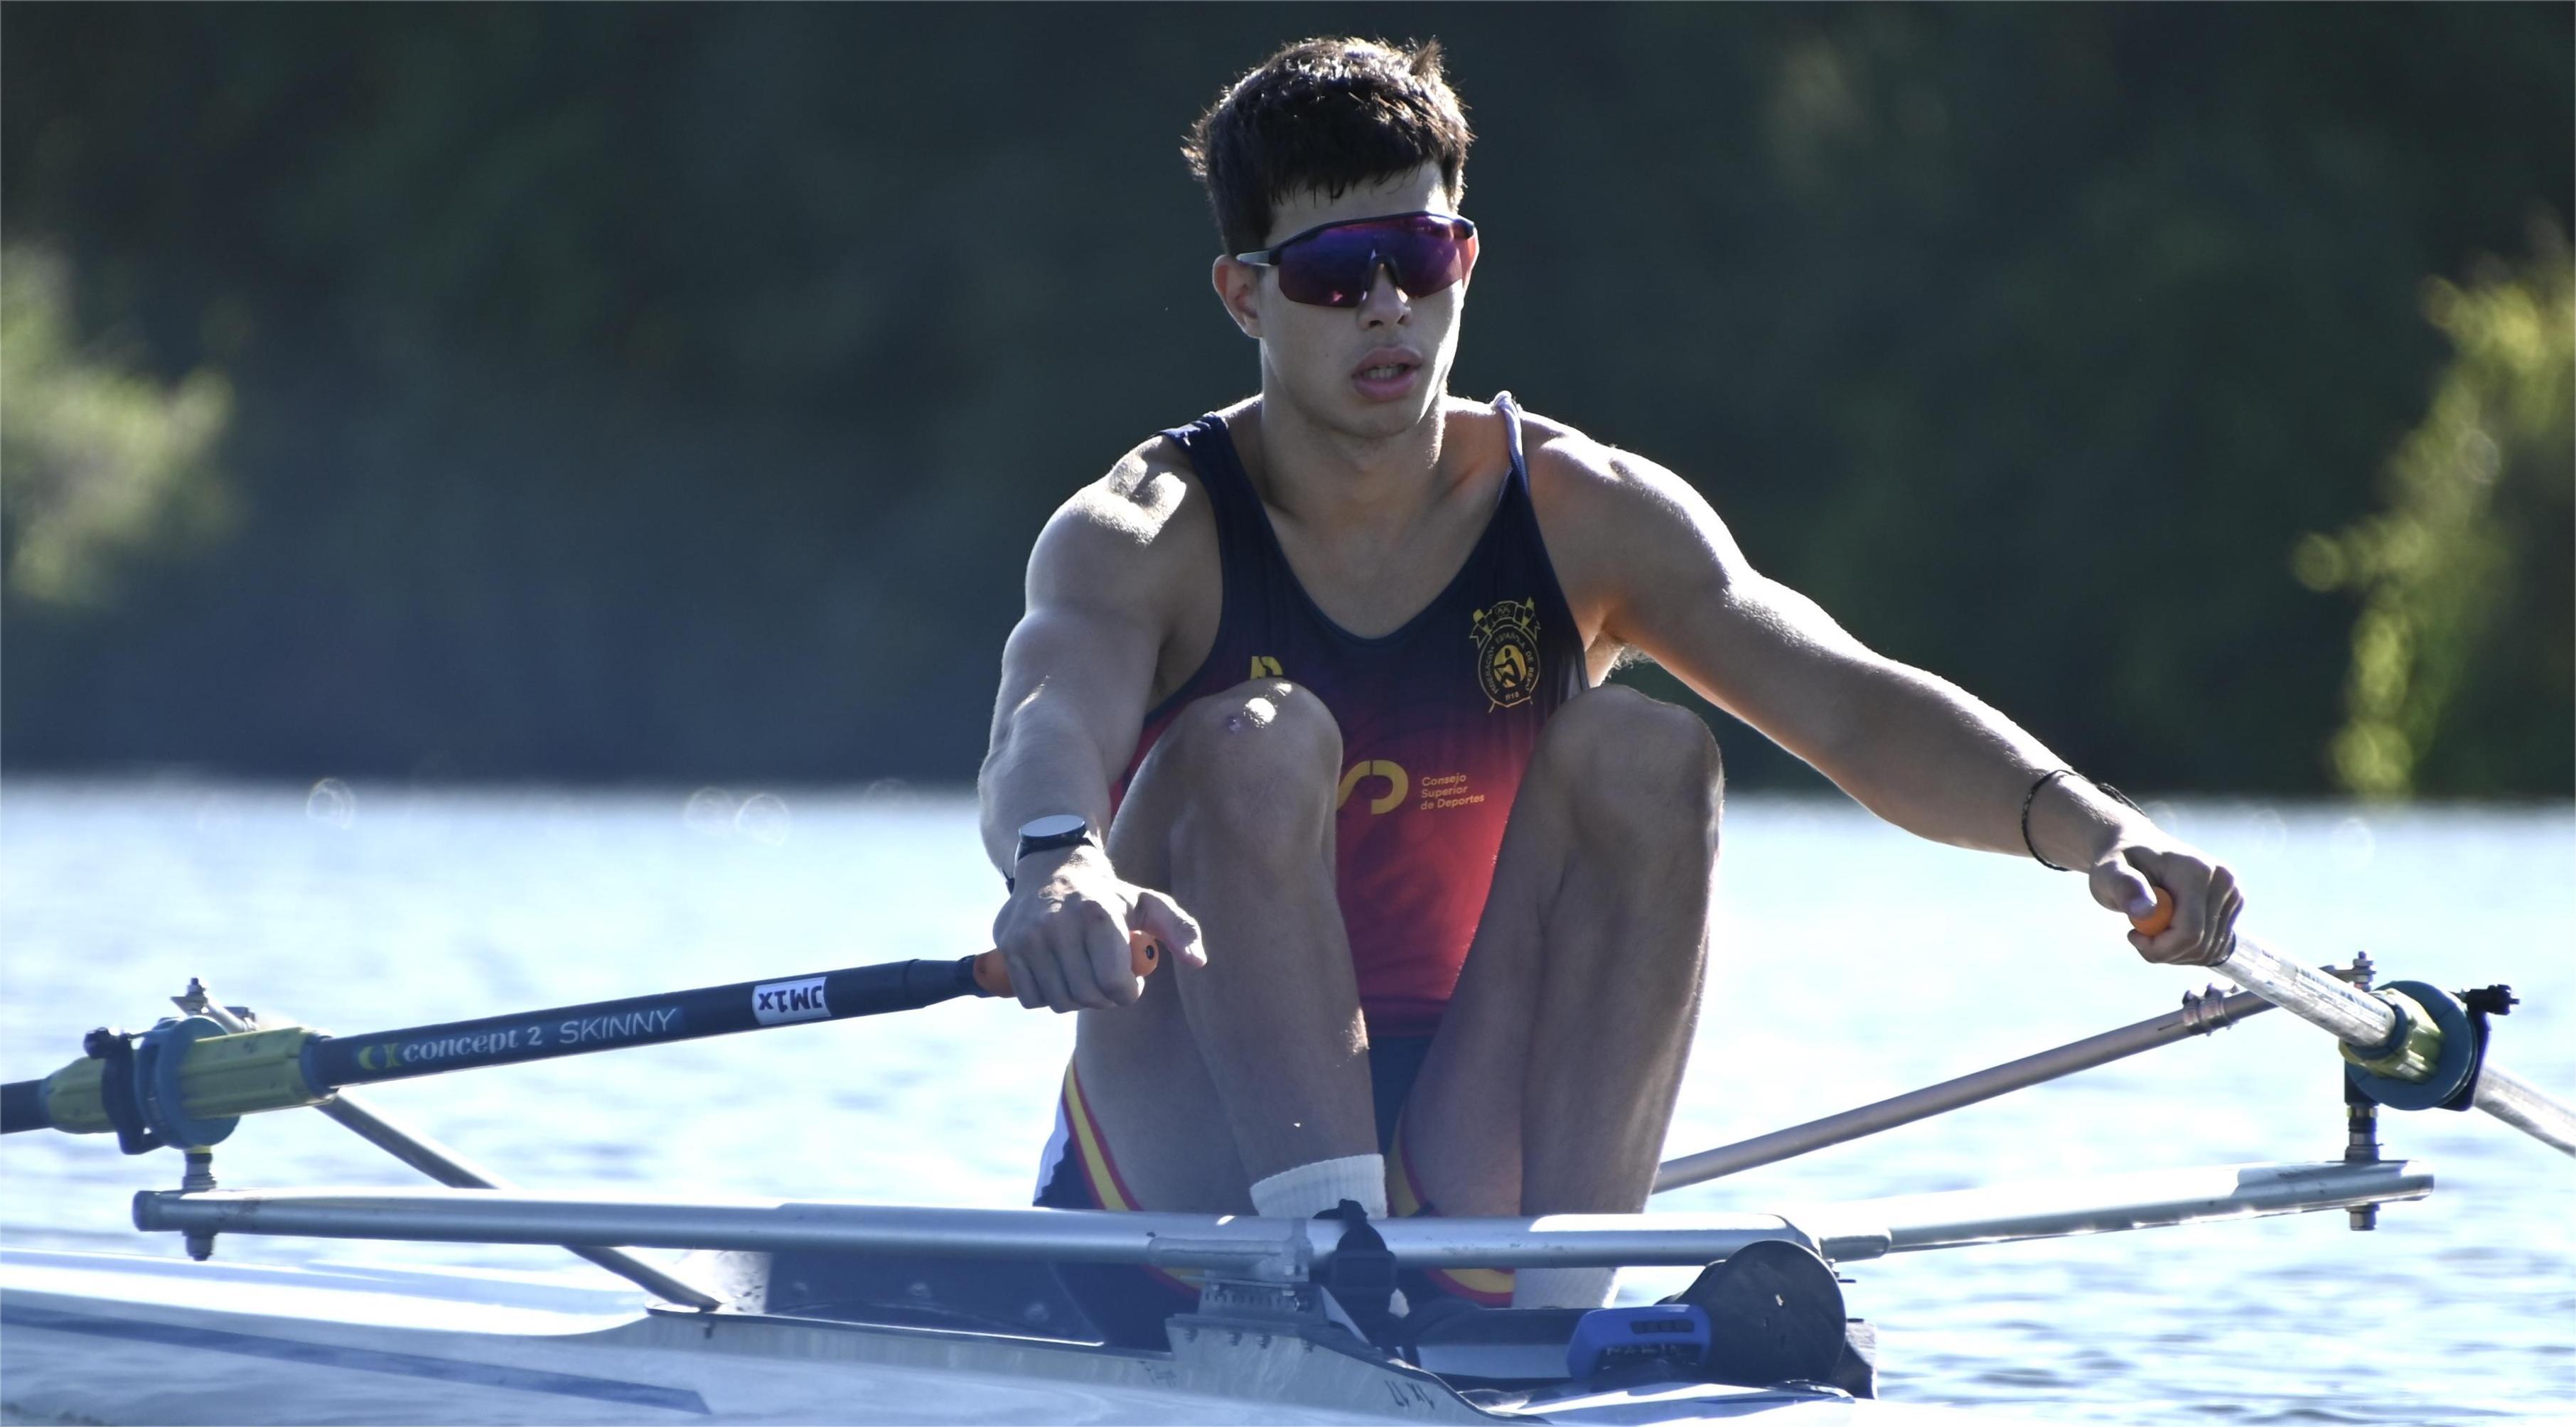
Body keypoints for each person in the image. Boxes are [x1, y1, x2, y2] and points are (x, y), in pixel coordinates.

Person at [977, 35, 2242, 1342]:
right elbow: (1045, 721)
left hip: (1471, 1145)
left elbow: (1852, 705)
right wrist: (1059, 862)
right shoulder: (1147, 528)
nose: (1388, 308)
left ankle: (1543, 1317)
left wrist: (2105, 830)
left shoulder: (1588, 513)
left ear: (1465, 260)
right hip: (1186, 1179)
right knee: (1257, 737)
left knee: (1648, 754)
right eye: (1336, 273)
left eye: (1419, 257)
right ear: (1246, 295)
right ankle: (1330, 1273)